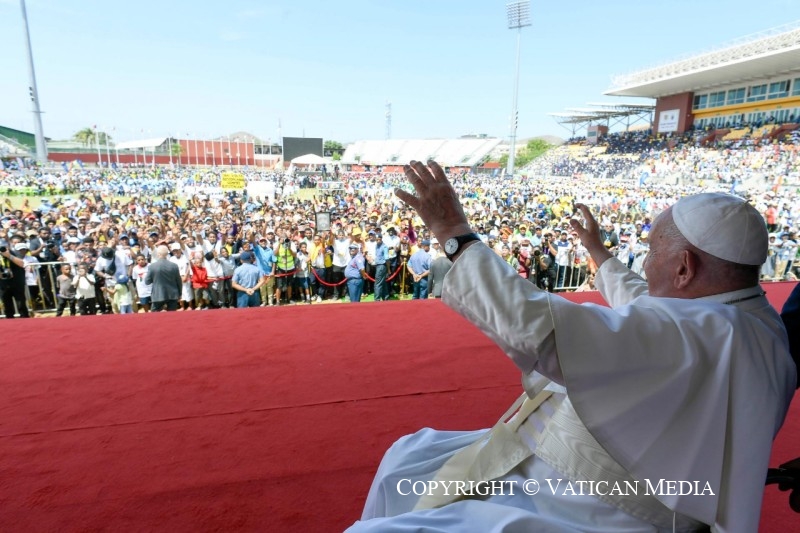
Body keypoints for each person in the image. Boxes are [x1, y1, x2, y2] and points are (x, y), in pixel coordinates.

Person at [347, 161, 796, 532]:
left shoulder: (695, 331)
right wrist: (600, 256)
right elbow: (645, 304)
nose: (644, 259)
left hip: (588, 505)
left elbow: (537, 327)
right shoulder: (750, 319)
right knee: (408, 457)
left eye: (651, 250)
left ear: (684, 268)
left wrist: (454, 234)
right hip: (591, 475)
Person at [145, 245, 182, 312]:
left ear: (158, 254)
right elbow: (179, 281)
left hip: (158, 294)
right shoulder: (174, 266)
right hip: (172, 294)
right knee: (172, 315)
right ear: (167, 254)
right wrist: (180, 293)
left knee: (155, 316)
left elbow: (147, 281)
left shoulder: (152, 266)